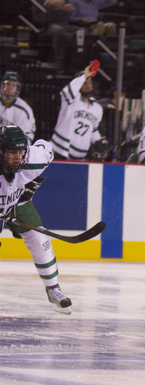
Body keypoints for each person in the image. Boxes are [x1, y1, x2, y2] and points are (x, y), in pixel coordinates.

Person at [0, 81, 72, 315]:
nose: (16, 157)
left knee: (40, 239)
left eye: (19, 151)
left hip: (18, 202)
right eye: (10, 152)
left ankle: (53, 289)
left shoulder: (33, 158)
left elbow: (47, 148)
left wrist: (29, 185)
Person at [50, 62, 107, 160]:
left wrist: (99, 141)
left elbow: (92, 129)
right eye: (84, 83)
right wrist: (84, 75)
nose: (87, 86)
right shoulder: (71, 100)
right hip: (59, 151)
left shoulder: (97, 108)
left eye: (89, 82)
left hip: (80, 157)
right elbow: (68, 91)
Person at [32, 0, 76, 69]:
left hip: (64, 24)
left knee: (82, 30)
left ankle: (76, 58)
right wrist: (61, 5)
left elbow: (71, 8)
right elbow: (50, 2)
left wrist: (56, 6)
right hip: (47, 26)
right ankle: (59, 59)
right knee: (58, 30)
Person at [1, 72, 36, 143]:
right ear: (2, 85)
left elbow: (26, 137)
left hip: (13, 148)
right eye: (8, 84)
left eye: (14, 85)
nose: (10, 88)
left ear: (17, 88)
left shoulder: (24, 110)